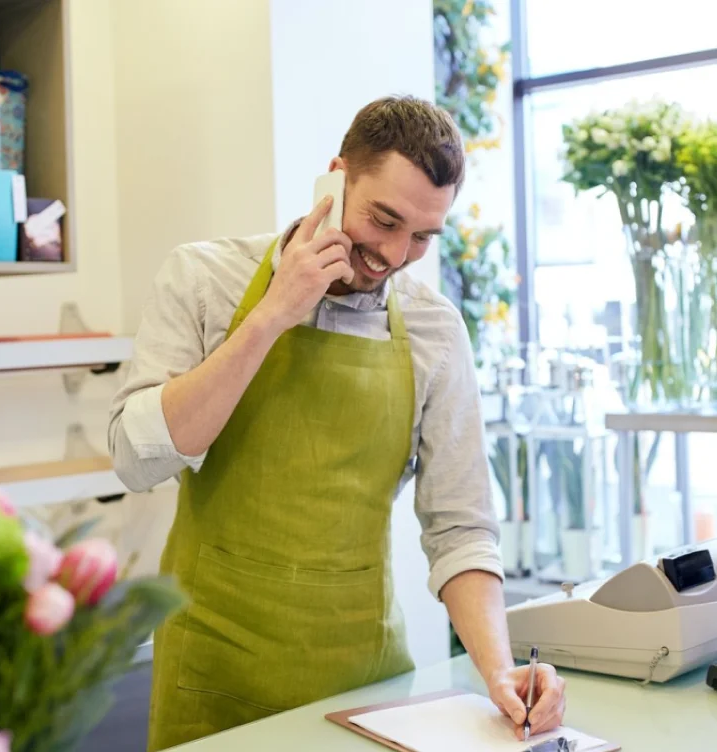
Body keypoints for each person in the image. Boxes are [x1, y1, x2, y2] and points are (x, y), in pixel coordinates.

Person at [109, 95, 567, 750]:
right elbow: (136, 457)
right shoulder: (205, 277)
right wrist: (270, 316)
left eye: (422, 236)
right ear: (335, 177)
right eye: (383, 220)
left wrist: (501, 672)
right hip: (212, 682)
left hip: (366, 691)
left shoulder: (435, 330)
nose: (394, 254)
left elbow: (459, 526)